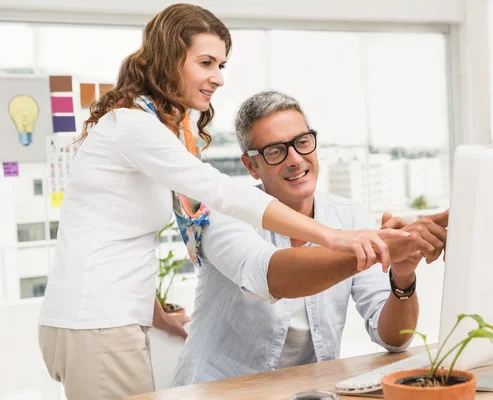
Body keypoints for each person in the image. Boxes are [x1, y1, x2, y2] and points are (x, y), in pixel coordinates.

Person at [37, 5, 407, 400]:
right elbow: (223, 194)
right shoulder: (134, 126)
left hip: (99, 318)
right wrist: (335, 239)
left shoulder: (151, 129)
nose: (218, 77)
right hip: (97, 322)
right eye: (206, 62)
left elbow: (110, 236)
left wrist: (157, 314)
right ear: (169, 59)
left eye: (222, 64)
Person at [172, 91, 448, 385]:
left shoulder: (349, 216)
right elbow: (270, 274)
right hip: (219, 390)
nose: (295, 159)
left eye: (302, 142)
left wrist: (402, 276)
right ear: (252, 166)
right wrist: (383, 246)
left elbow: (394, 339)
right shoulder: (224, 212)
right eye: (276, 151)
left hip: (306, 391)